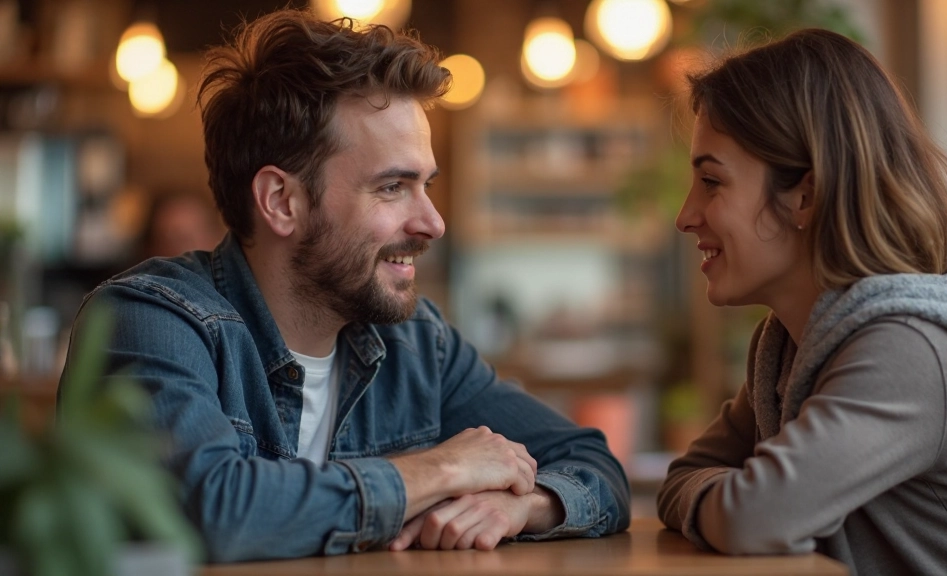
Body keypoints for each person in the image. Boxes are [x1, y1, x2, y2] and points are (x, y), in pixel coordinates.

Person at [58, 9, 629, 563]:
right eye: (392, 188)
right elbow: (212, 510)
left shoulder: (417, 346)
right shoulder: (150, 320)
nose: (433, 222)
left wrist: (528, 506)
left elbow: (592, 463)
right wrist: (440, 470)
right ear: (283, 201)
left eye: (426, 185)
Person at [656, 28, 947, 575]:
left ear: (805, 194)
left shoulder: (907, 348)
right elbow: (685, 478)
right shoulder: (783, 344)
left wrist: (725, 497)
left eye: (712, 182)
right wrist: (722, 495)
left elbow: (754, 519)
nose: (685, 216)